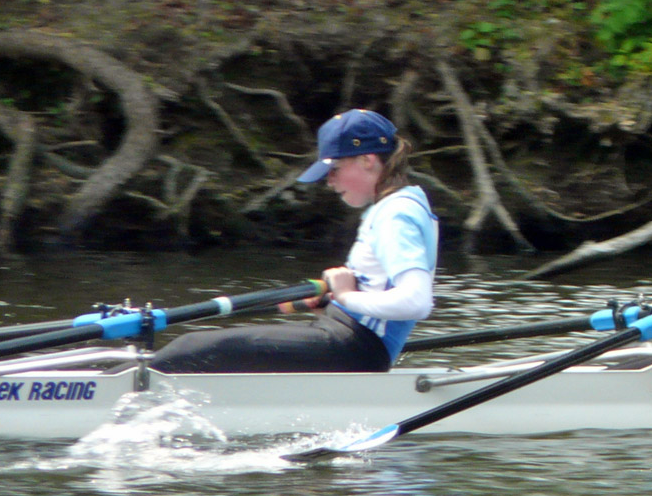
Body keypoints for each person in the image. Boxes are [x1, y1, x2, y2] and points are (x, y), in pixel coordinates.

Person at [150, 109, 439, 373]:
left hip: (356, 348)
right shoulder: (398, 206)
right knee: (201, 350)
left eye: (334, 169)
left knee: (191, 348)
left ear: (367, 160)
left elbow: (416, 301)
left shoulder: (396, 214)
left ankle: (121, 392)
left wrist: (347, 297)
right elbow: (380, 287)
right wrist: (332, 300)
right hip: (346, 337)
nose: (329, 181)